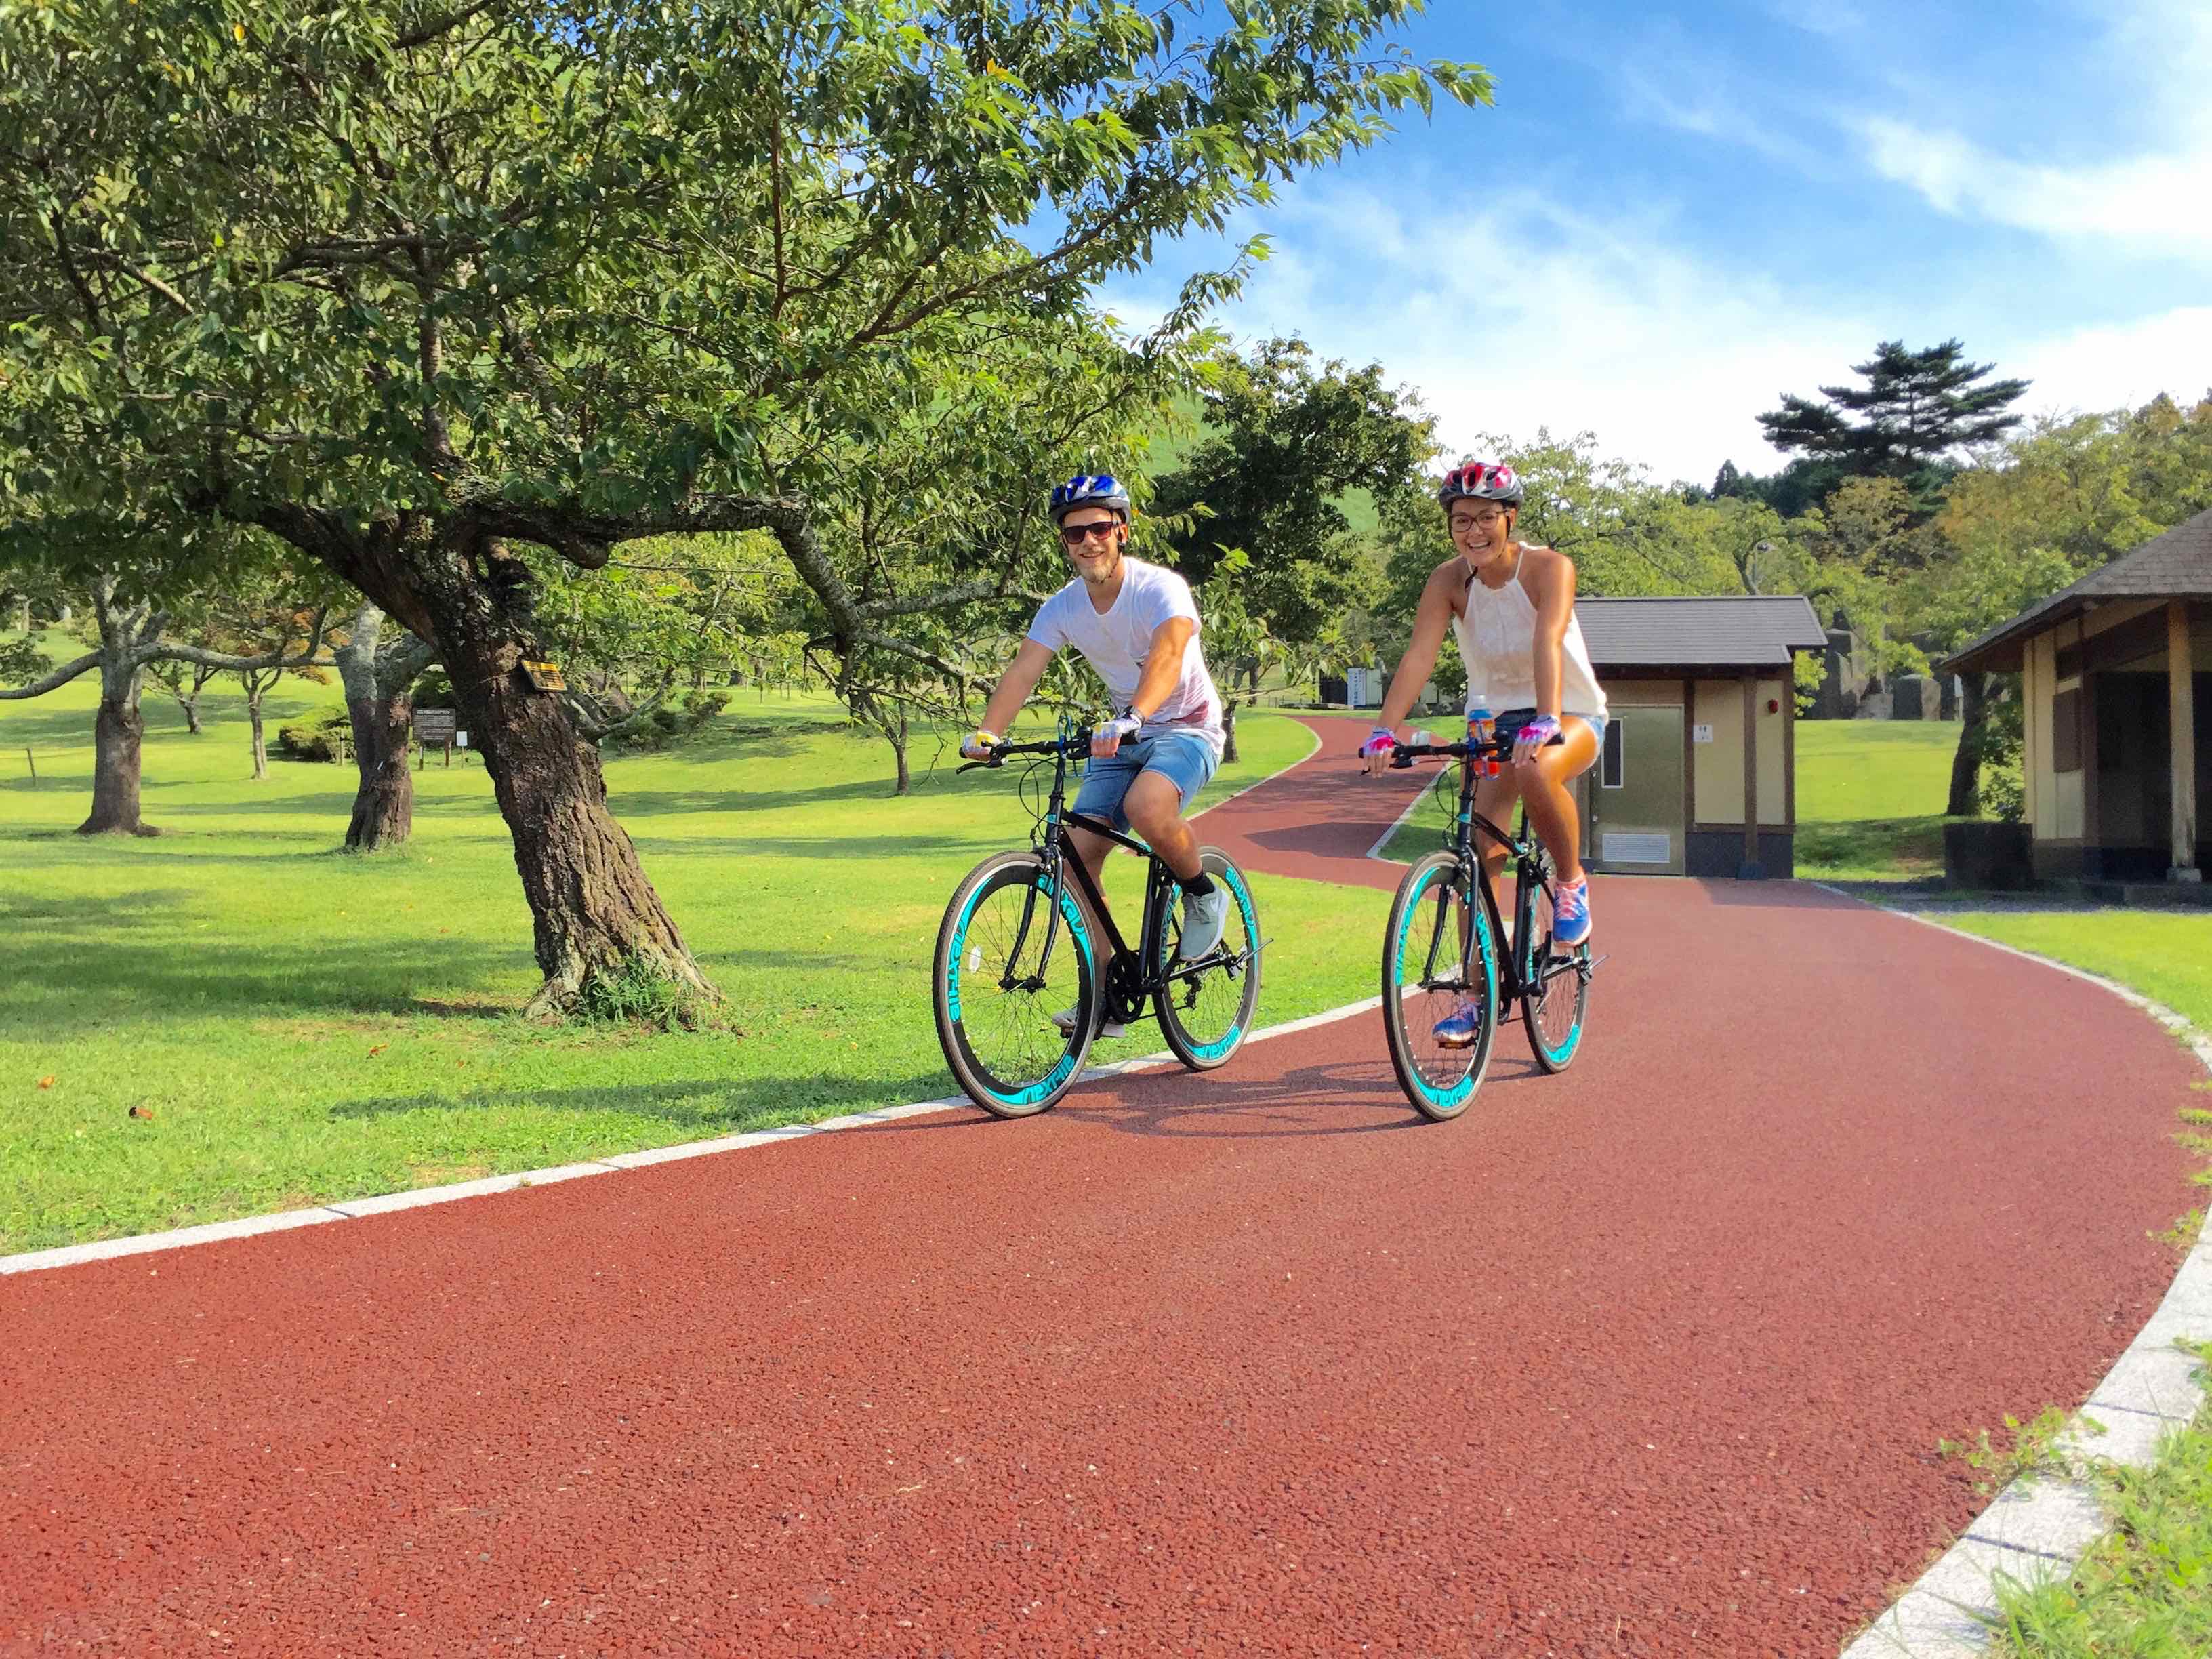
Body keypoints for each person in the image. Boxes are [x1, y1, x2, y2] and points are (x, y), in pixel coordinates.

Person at [962, 474, 1230, 1038]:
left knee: (1148, 807)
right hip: (1119, 734)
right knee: (1077, 860)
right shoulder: (1062, 607)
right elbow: (1024, 670)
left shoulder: (1161, 588)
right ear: (1064, 542)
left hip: (1186, 727)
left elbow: (1168, 653)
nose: (1088, 541)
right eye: (1074, 533)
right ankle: (1106, 997)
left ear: (1121, 531)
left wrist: (1136, 715)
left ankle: (1203, 894)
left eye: (1100, 528)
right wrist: (988, 733)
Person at [1359, 460, 1607, 1046]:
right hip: (1494, 721)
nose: (1474, 531)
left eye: (1486, 518)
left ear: (1510, 517)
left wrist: (1547, 717)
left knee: (1538, 769)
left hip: (1570, 711)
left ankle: (1570, 883)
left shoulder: (1549, 567)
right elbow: (1420, 655)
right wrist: (1384, 731)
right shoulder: (1447, 580)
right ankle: (1475, 996)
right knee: (1478, 857)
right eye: (1461, 520)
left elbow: (1547, 639)